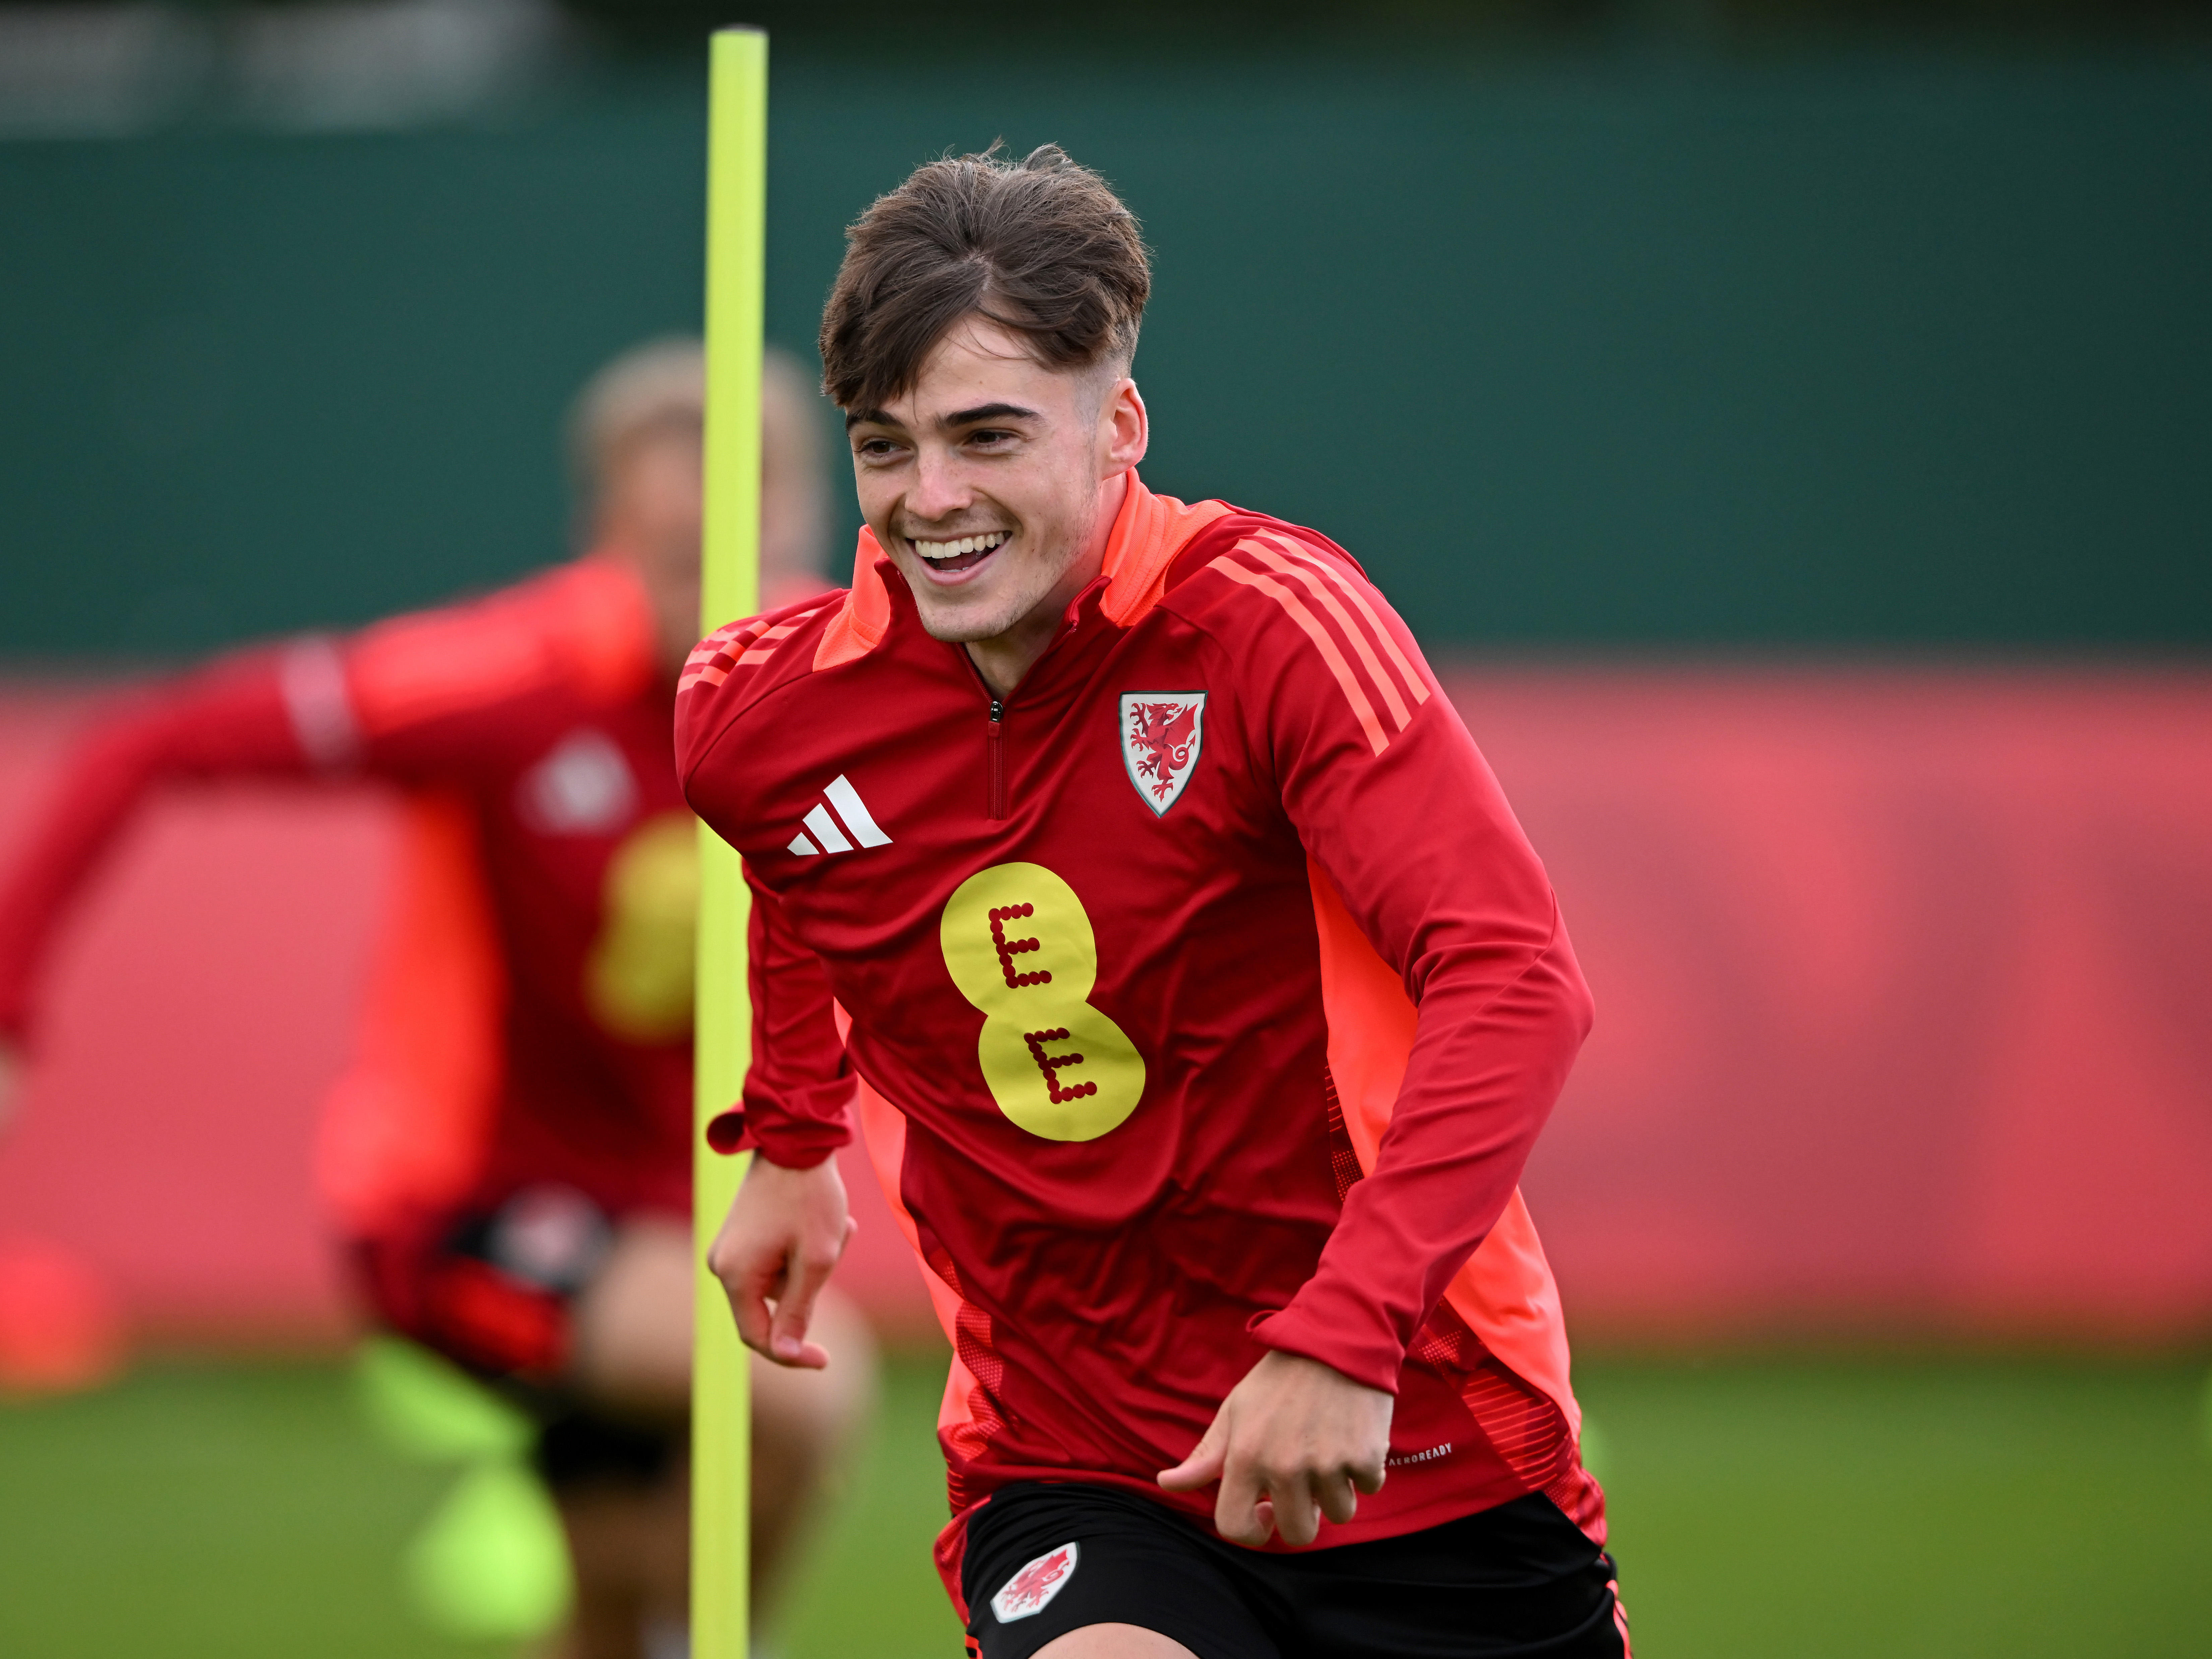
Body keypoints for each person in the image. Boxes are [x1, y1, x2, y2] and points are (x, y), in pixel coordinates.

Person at [683, 144, 1629, 1659]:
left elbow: (1516, 982)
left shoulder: (1271, 622)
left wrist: (1346, 1333)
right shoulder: (757, 707)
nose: (931, 504)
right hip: (1071, 1455)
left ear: (1118, 423)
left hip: (1407, 1426)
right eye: (884, 448)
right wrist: (792, 1136)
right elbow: (795, 856)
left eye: (987, 436)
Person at [0, 341, 873, 1659]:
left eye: (742, 544)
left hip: (665, 1214)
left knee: (600, 1611)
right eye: (674, 549)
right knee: (807, 1385)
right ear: (603, 531)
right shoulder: (507, 682)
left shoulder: (847, 687)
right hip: (455, 1212)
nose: (712, 589)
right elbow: (149, 743)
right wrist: (10, 998)